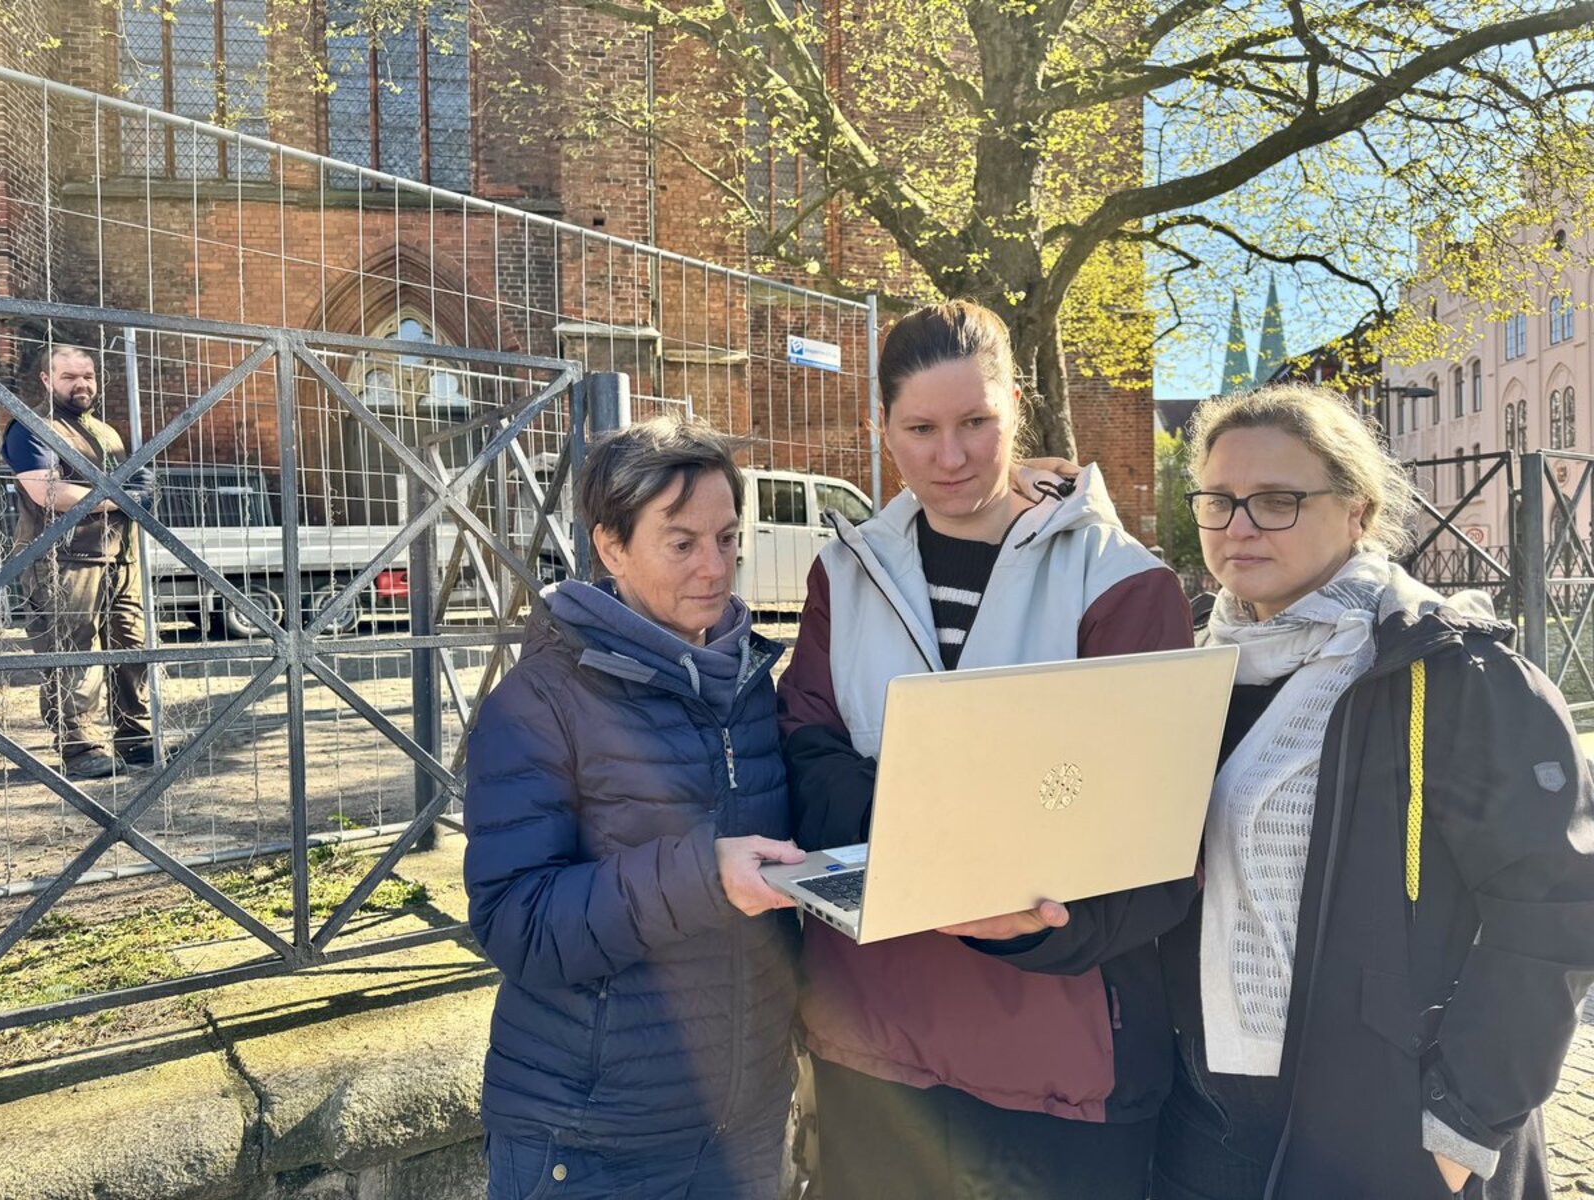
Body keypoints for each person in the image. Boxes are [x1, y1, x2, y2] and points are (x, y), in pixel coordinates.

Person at [777, 300, 1198, 1199]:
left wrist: (1032, 919)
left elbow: (1159, 831)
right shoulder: (844, 572)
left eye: (977, 422)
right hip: (873, 1039)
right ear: (881, 426)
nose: (951, 457)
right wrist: (939, 846)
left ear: (1018, 409)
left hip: (1056, 1051)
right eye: (921, 429)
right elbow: (804, 748)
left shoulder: (1121, 582)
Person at [1150, 383, 1594, 1200]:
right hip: (1203, 1116)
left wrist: (1466, 1121)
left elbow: (1554, 908)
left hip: (1383, 1125)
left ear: (1357, 510)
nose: (1239, 526)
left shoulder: (1454, 673)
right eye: (1218, 500)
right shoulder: (1189, 669)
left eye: (1277, 500)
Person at [463, 415, 806, 1200]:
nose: (714, 568)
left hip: (745, 1125)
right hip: (593, 1143)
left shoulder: (751, 686)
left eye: (727, 538)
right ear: (611, 547)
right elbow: (517, 922)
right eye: (681, 543)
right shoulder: (539, 702)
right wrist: (701, 877)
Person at [0, 344, 157, 780]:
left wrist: (142, 490)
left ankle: (136, 738)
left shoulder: (105, 432)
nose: (81, 384)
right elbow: (47, 492)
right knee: (74, 655)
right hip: (62, 560)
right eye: (68, 377)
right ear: (47, 380)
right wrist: (121, 497)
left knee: (132, 649)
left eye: (87, 376)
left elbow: (128, 491)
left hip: (119, 557)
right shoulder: (31, 427)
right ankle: (81, 747)